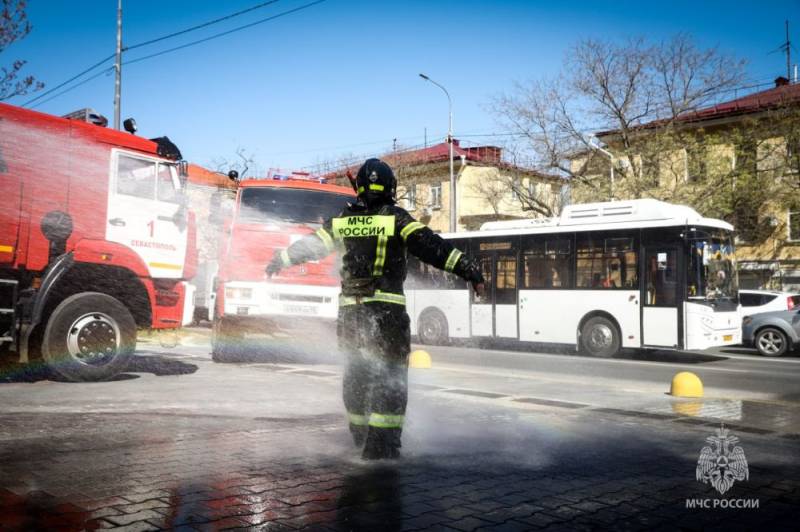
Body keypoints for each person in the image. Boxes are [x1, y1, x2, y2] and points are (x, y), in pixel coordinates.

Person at [265, 158, 485, 460]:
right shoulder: (396, 219)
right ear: (390, 187)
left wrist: (281, 260)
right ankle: (381, 446)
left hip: (351, 315)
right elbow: (431, 246)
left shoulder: (341, 221)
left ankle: (359, 435)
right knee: (389, 376)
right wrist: (469, 268)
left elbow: (310, 246)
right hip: (386, 313)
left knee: (356, 373)